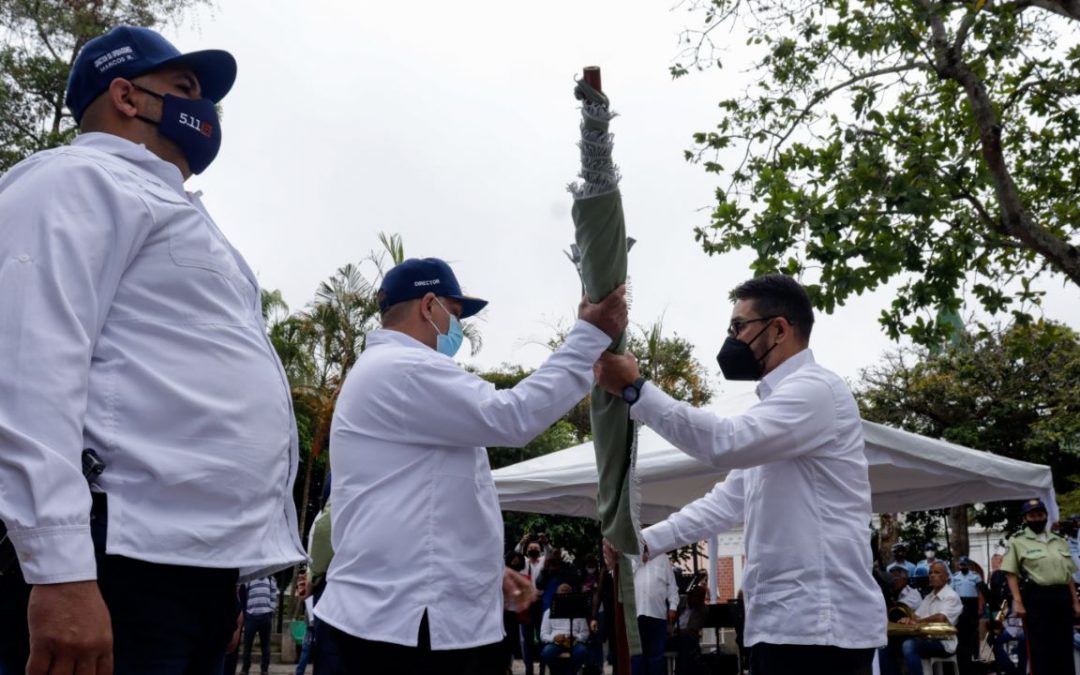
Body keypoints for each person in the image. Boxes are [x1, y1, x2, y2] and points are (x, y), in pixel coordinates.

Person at [0, 25, 306, 675]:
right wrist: (60, 571)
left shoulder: (181, 214)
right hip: (116, 562)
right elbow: (27, 366)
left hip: (189, 573)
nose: (206, 110)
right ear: (126, 95)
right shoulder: (75, 178)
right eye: (186, 89)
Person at [313, 258, 627, 675]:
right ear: (429, 306)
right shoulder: (405, 369)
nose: (458, 329)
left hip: (406, 618)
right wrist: (589, 336)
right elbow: (512, 416)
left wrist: (485, 573)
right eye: (455, 314)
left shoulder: (395, 375)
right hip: (401, 629)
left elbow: (432, 502)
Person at [595, 273, 885, 675]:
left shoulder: (815, 391)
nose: (731, 339)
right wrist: (645, 541)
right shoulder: (778, 409)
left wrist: (635, 391)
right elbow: (727, 501)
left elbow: (724, 442)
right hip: (782, 625)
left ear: (779, 328)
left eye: (738, 327)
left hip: (821, 626)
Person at [1001, 498, 1080, 675]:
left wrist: (1075, 602)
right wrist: (1018, 601)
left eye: (1040, 514)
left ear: (1046, 516)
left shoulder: (1059, 541)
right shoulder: (1017, 541)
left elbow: (1068, 576)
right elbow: (1010, 573)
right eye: (1032, 515)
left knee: (1065, 646)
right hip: (1037, 597)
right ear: (1025, 519)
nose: (1037, 518)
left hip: (1062, 597)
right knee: (1041, 648)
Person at [878, 561, 962, 675]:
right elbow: (915, 616)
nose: (932, 575)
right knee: (884, 647)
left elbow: (941, 618)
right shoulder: (929, 597)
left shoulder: (951, 596)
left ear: (947, 577)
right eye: (930, 573)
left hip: (944, 643)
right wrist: (908, 619)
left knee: (909, 645)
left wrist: (917, 620)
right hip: (924, 638)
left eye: (937, 572)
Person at [631, 554, 679, 675]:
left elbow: (672, 585)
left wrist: (673, 606)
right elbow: (623, 579)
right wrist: (638, 561)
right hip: (636, 615)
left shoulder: (662, 557)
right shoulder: (631, 557)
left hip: (657, 614)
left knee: (656, 658)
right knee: (637, 658)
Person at [539, 584, 591, 675]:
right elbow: (543, 634)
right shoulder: (548, 612)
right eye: (561, 592)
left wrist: (576, 637)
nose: (563, 595)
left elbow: (585, 633)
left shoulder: (578, 611)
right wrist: (554, 638)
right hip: (556, 642)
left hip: (574, 641)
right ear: (557, 595)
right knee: (546, 653)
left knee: (582, 652)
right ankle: (557, 672)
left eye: (566, 592)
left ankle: (569, 673)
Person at [950, 555, 982, 675]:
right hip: (961, 603)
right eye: (961, 565)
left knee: (974, 629)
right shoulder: (955, 577)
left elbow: (980, 593)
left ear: (968, 565)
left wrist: (980, 606)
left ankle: (976, 653)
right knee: (962, 630)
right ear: (959, 566)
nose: (963, 567)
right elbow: (952, 593)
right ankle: (964, 654)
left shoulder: (975, 576)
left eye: (965, 565)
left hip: (973, 603)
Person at [241, 576, 277, 675]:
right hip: (250, 616)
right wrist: (245, 612)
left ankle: (264, 669)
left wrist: (271, 610)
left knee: (265, 645)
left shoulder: (271, 579)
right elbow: (244, 595)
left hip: (265, 616)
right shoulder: (249, 578)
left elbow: (273, 596)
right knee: (247, 645)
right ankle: (245, 669)